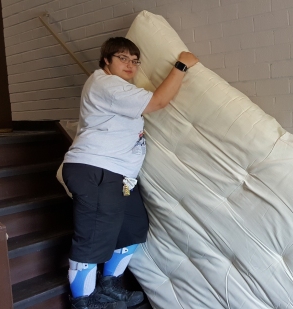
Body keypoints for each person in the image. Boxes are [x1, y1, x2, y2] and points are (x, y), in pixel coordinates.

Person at [61, 37, 198, 309]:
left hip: (120, 175)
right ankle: (83, 301)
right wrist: (182, 65)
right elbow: (158, 101)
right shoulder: (105, 83)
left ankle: (108, 287)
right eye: (123, 58)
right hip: (97, 169)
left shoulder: (120, 90)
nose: (130, 65)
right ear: (106, 61)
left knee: (133, 229)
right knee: (92, 238)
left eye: (135, 61)